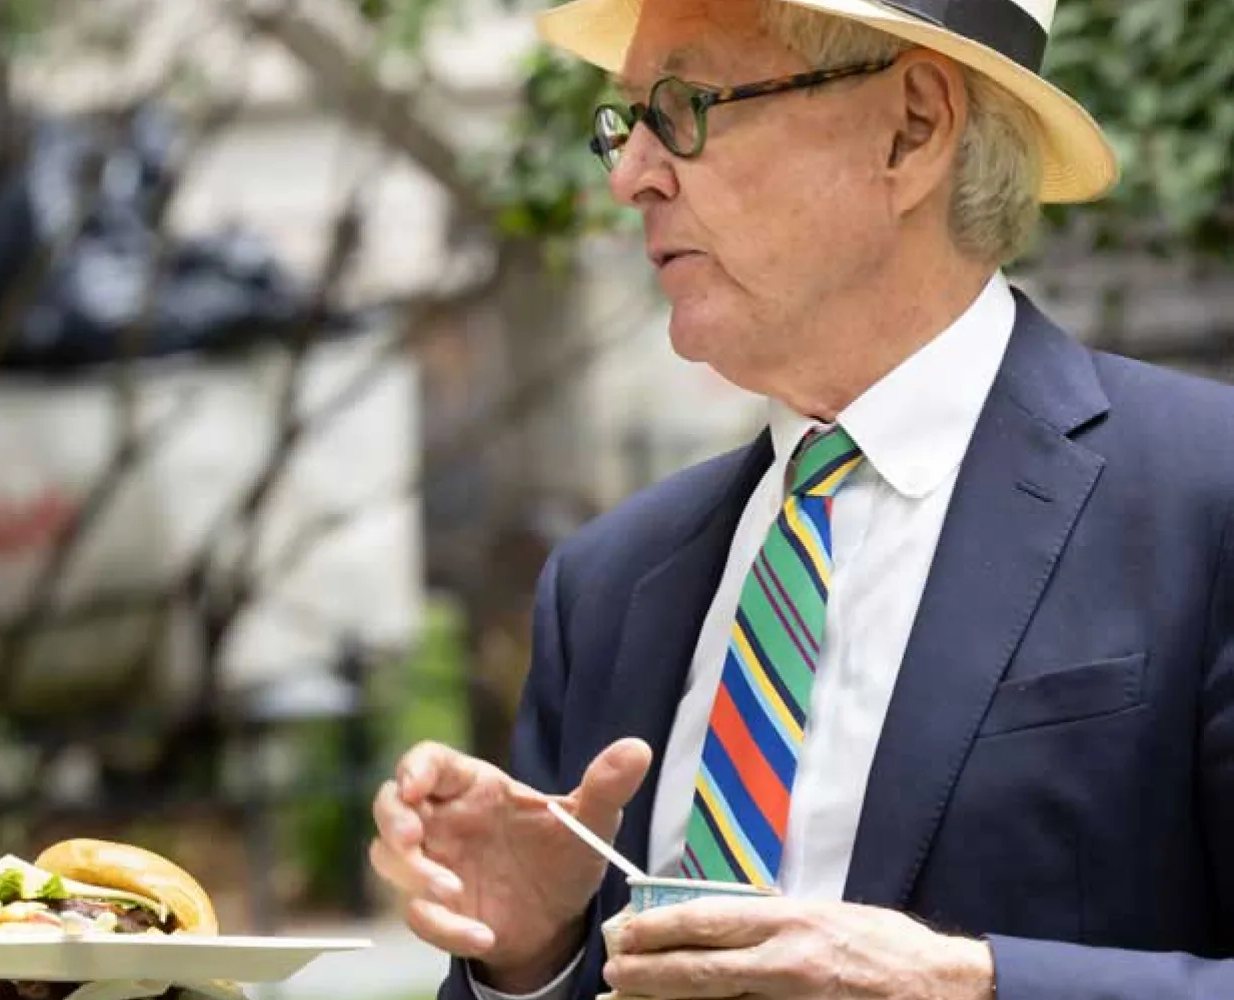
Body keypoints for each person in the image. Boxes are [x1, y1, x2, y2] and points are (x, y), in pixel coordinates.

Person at [371, 1, 1234, 998]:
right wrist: (528, 958)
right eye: (626, 121)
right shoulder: (606, 584)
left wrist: (964, 982)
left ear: (910, 127)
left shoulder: (1200, 497)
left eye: (684, 107)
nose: (629, 175)